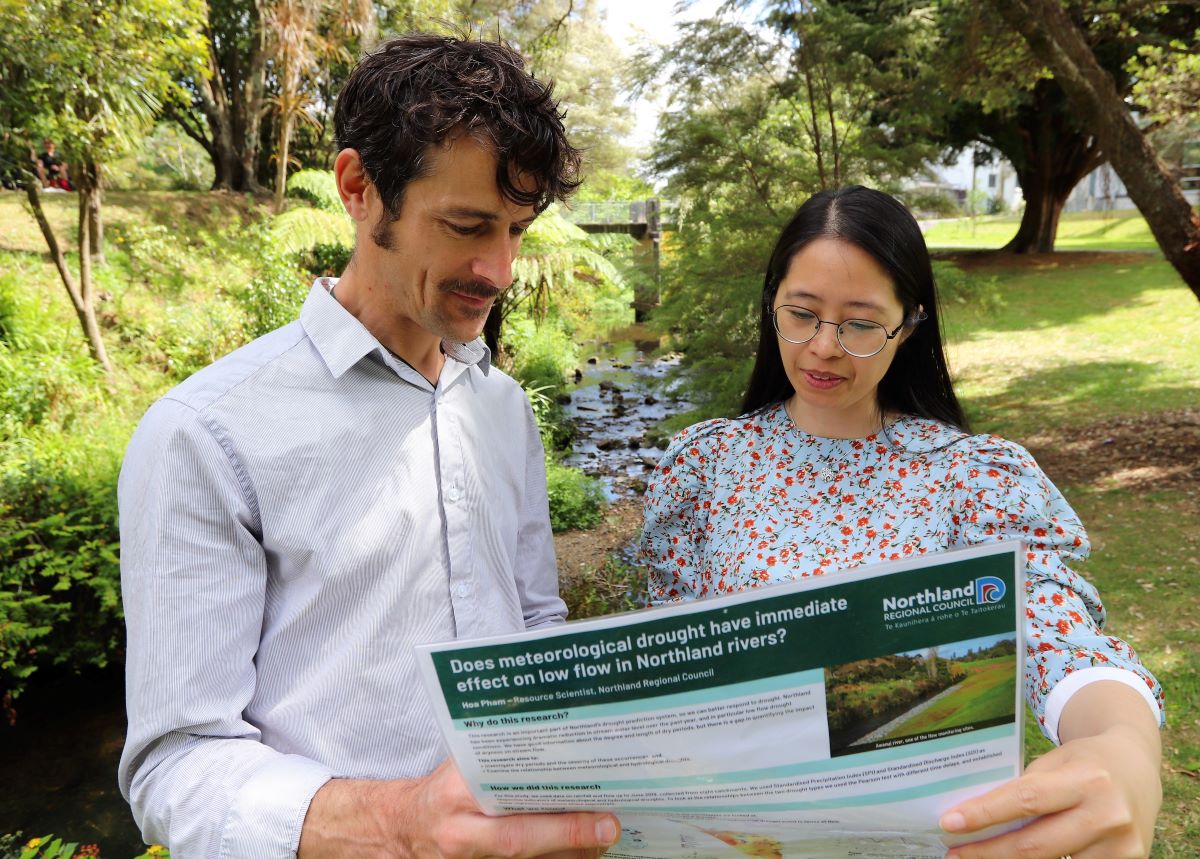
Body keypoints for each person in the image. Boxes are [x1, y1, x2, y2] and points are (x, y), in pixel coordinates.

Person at [118, 34, 620, 859]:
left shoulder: (501, 407)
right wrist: (401, 824)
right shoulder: (205, 433)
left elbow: (534, 621)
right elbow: (174, 767)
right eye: (467, 225)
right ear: (358, 188)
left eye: (519, 231)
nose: (499, 269)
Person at [640, 186, 1164, 859]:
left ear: (909, 324)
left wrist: (1123, 747)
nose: (823, 347)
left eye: (859, 324)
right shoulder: (703, 465)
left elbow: (1058, 634)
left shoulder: (972, 476)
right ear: (773, 303)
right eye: (801, 313)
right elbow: (667, 660)